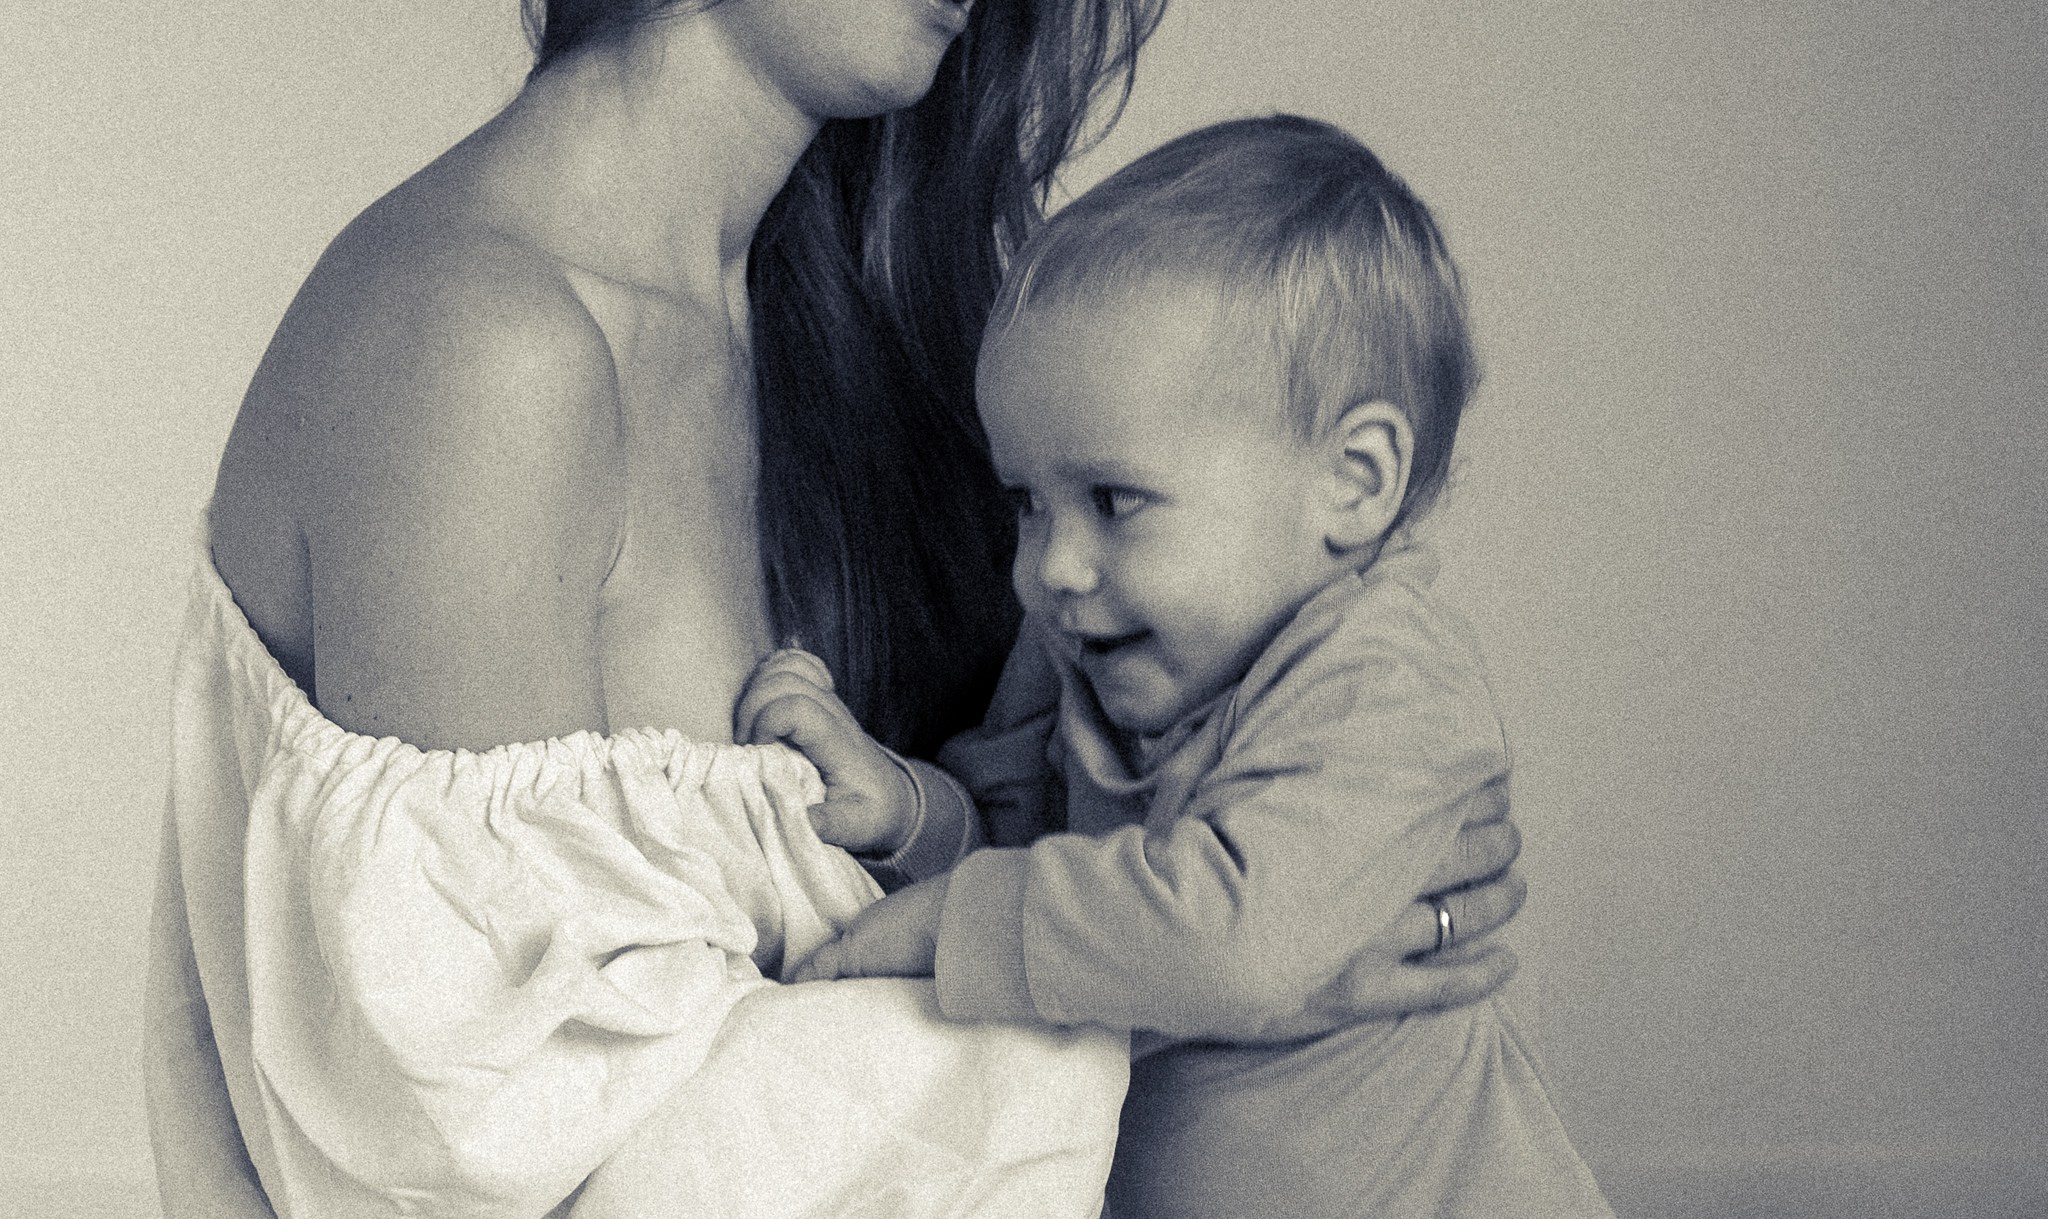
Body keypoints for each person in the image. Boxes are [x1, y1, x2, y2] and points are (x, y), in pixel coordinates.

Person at [147, 0, 1529, 1214]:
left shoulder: (877, 337)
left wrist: (1235, 934)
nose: (1060, 556)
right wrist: (1232, 981)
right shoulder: (485, 350)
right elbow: (488, 1169)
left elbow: (1036, 849)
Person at [741, 115, 1608, 1217]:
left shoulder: (1385, 683)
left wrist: (951, 921)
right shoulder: (1086, 652)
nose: (1050, 567)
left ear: (1352, 482)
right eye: (1027, 503)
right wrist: (913, 812)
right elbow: (1031, 866)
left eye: (1114, 500)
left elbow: (1232, 941)